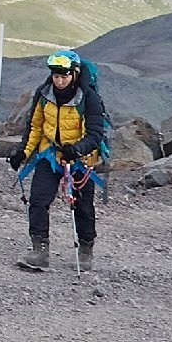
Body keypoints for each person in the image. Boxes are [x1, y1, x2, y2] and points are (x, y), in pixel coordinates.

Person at [14, 49, 106, 271]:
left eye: (64, 75)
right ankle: (40, 251)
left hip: (81, 160)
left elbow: (95, 135)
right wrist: (23, 153)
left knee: (83, 207)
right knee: (38, 201)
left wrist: (75, 150)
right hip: (50, 155)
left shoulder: (89, 98)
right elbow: (35, 126)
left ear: (74, 73)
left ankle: (85, 249)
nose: (60, 80)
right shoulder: (44, 94)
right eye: (56, 76)